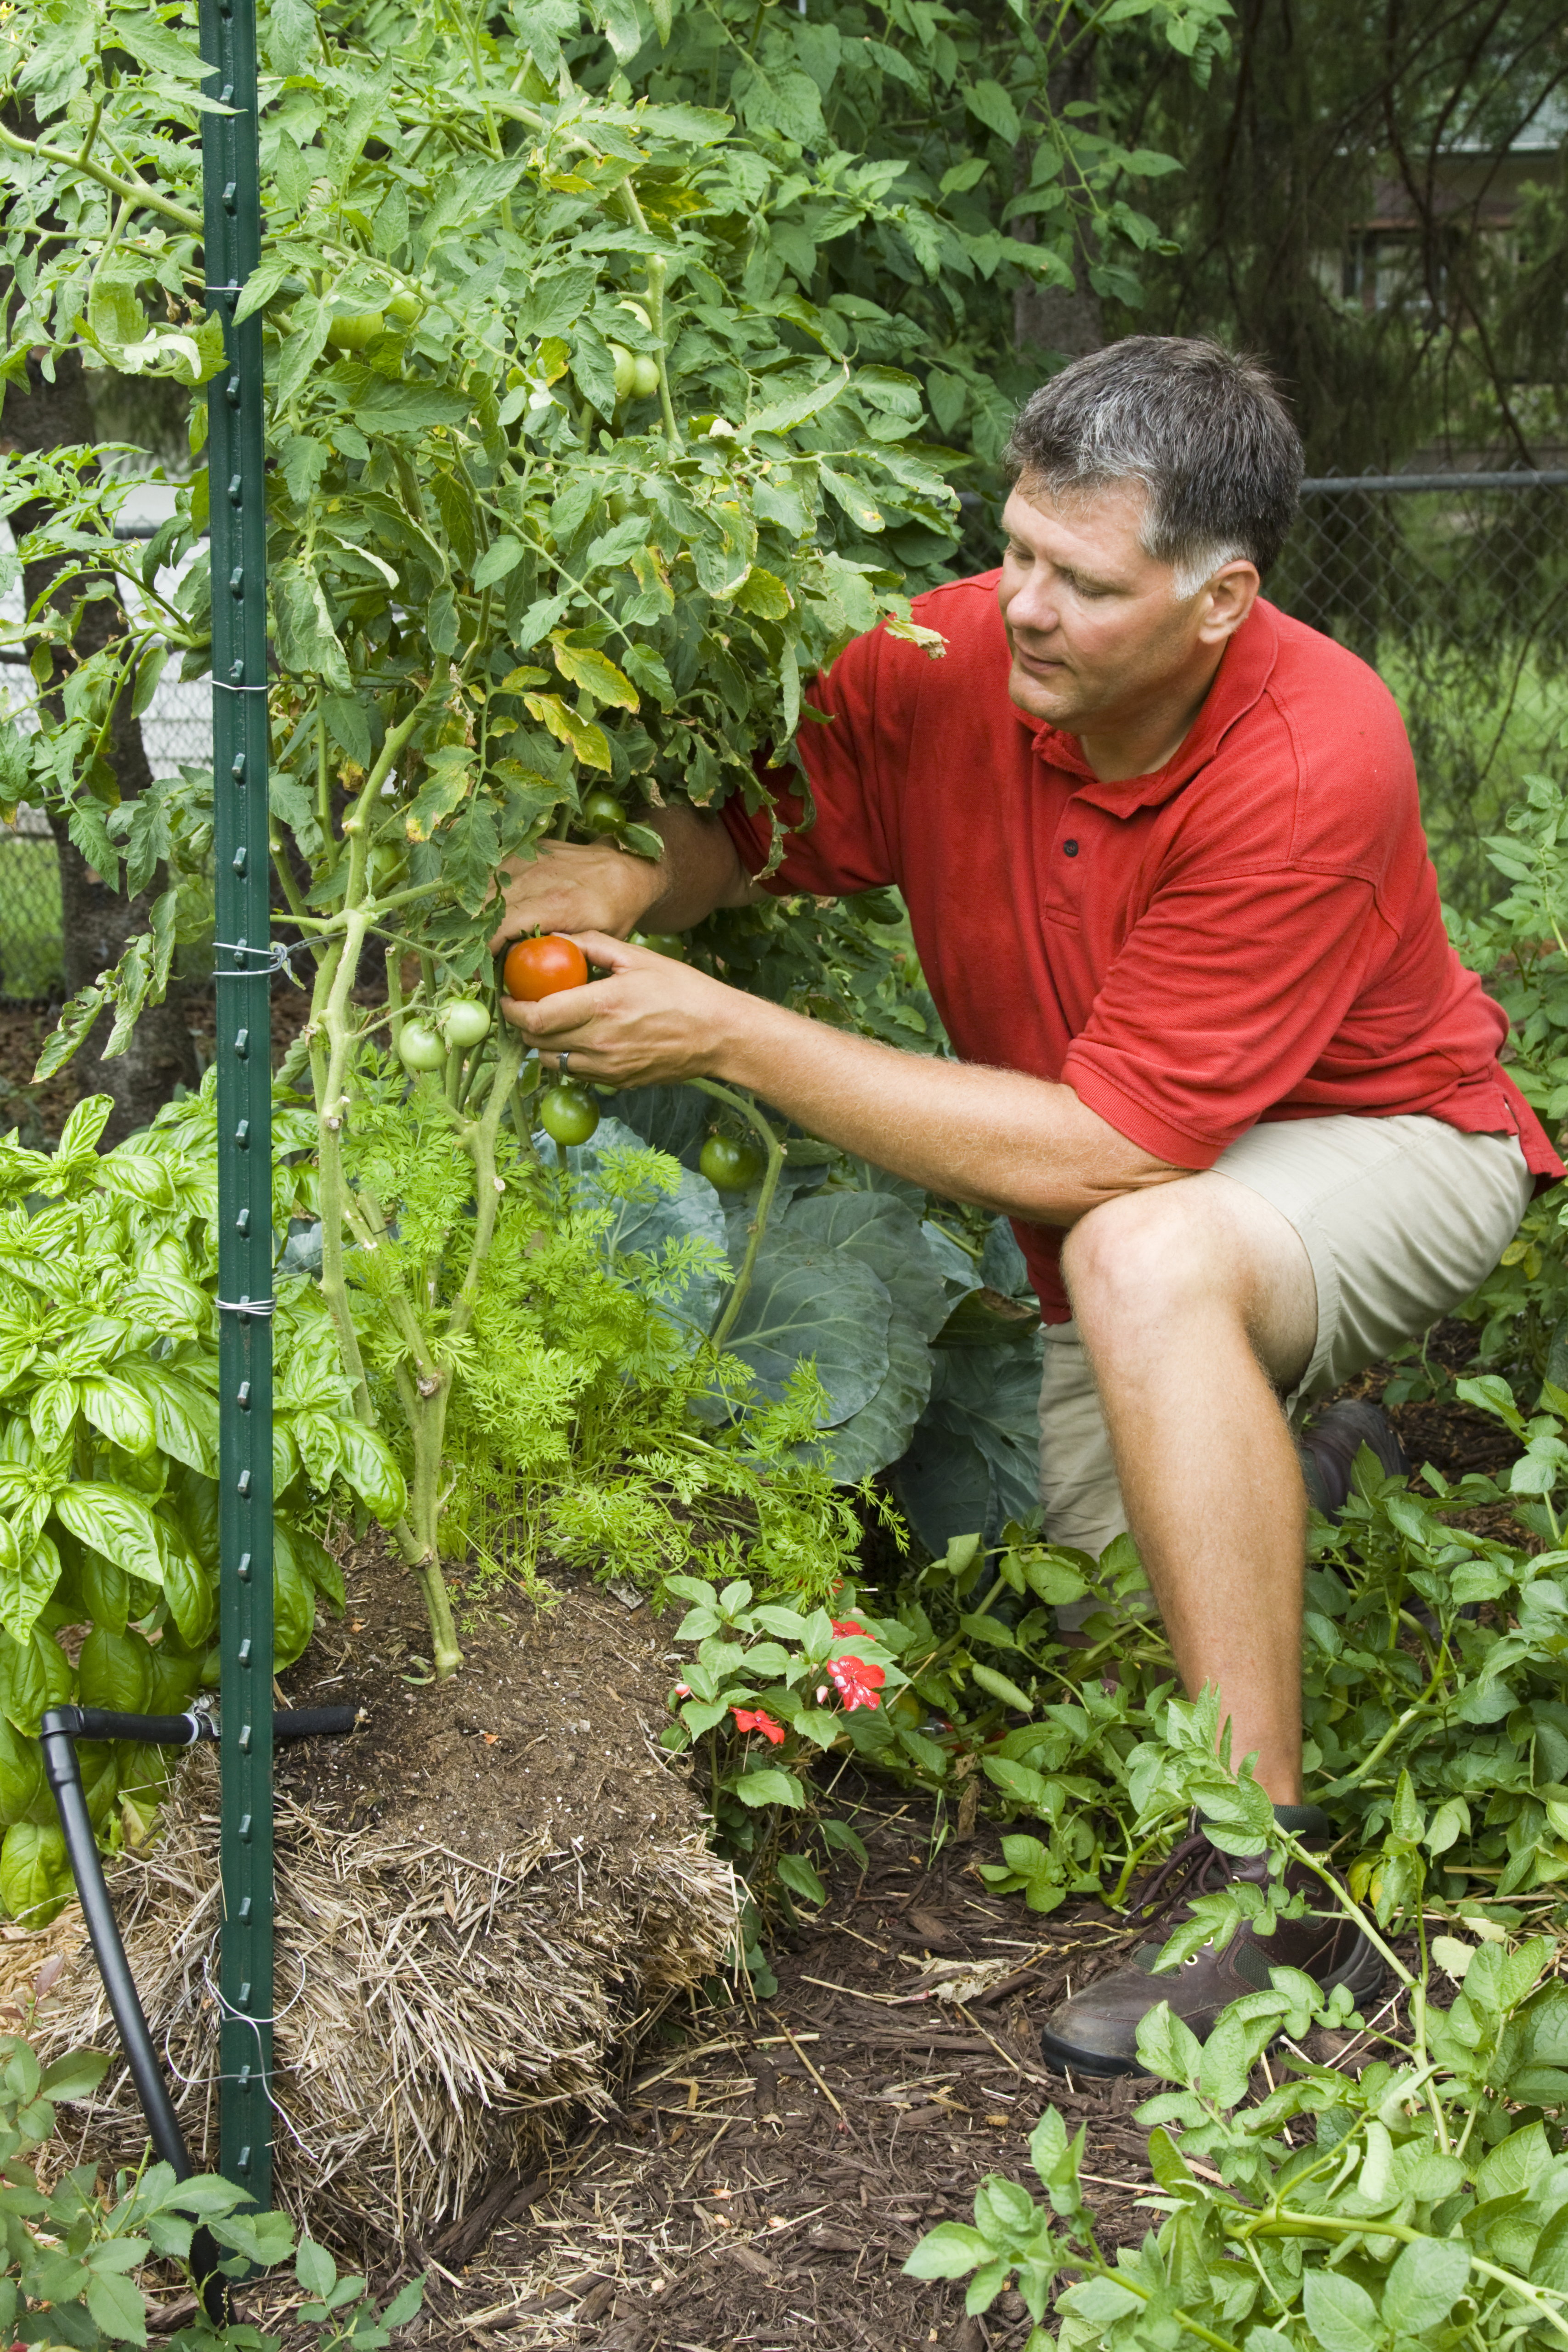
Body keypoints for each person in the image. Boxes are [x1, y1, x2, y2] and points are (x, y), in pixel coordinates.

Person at [487, 336, 1562, 2074]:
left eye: (1086, 581)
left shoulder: (1314, 747)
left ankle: (1263, 1892)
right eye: (1016, 552)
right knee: (1092, 1622)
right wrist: (639, 871)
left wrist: (731, 1032)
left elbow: (1101, 1159)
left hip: (1386, 1144)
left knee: (1144, 1256)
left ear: (1222, 602)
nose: (1026, 608)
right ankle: (1312, 1456)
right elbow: (768, 827)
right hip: (1153, 1173)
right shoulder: (950, 656)